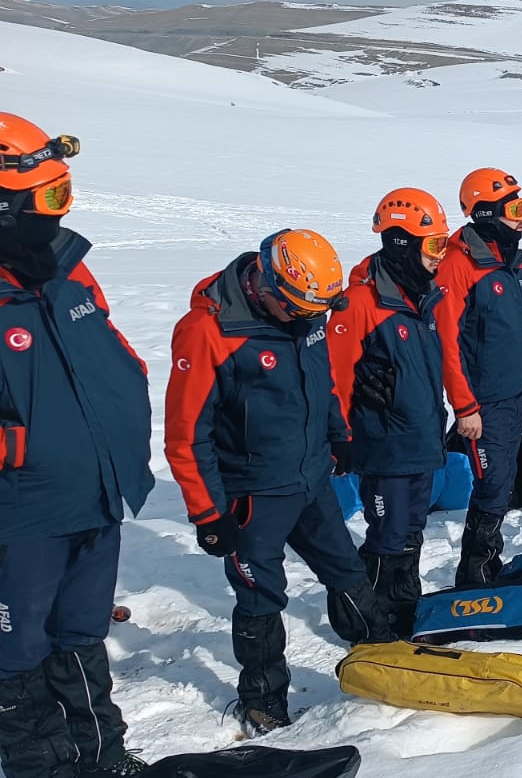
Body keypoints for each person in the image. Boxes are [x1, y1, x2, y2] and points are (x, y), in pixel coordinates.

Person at [166, 229, 395, 735]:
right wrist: (208, 514)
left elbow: (323, 383)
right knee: (260, 597)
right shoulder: (208, 332)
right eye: (298, 311)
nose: (310, 322)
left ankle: (381, 650)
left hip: (311, 478)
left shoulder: (306, 314)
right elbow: (186, 435)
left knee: (346, 566)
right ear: (265, 285)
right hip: (253, 494)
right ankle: (263, 700)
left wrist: (340, 435)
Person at [0, 115, 153, 777]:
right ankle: (39, 767)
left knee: (81, 637)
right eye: (53, 199)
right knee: (16, 652)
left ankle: (103, 760)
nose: (65, 214)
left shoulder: (69, 274)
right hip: (24, 515)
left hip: (97, 494)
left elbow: (114, 360)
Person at [328, 189, 451, 635]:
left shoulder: (425, 298)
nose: (442, 256)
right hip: (383, 444)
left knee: (411, 529)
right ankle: (365, 617)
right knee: (387, 534)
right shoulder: (360, 303)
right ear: (402, 243)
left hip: (420, 438)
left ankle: (403, 604)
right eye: (435, 245)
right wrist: (338, 436)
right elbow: (334, 378)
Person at [434, 167, 522, 587]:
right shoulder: (458, 265)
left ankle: (488, 562)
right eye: (514, 208)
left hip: (512, 392)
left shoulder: (508, 261)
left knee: (503, 480)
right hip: (482, 401)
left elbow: (521, 324)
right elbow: (447, 343)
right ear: (484, 212)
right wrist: (464, 406)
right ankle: (474, 572)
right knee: (492, 485)